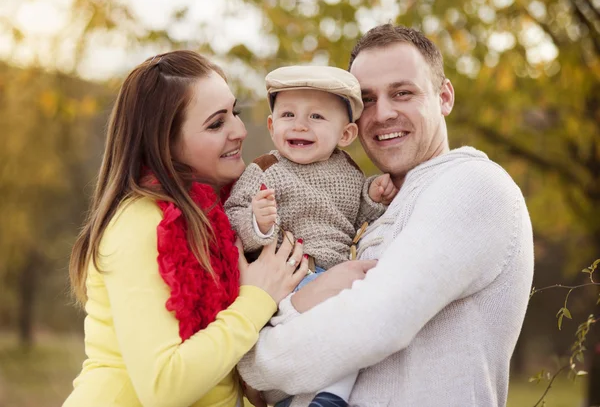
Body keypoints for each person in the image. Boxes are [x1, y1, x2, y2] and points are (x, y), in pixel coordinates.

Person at [236, 24, 535, 407]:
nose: (384, 113)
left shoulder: (471, 183)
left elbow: (372, 324)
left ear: (444, 97)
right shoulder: (373, 209)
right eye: (368, 100)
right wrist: (300, 305)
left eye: (402, 93)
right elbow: (290, 382)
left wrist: (246, 358)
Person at [62, 50, 377, 407]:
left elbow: (218, 351)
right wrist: (258, 298)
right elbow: (165, 386)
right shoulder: (141, 223)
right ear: (164, 144)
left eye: (235, 113)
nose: (240, 131)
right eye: (216, 124)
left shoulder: (217, 215)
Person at [224, 65, 398, 407]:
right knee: (343, 324)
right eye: (288, 114)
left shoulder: (349, 171)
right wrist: (257, 222)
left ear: (345, 134)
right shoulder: (265, 169)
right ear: (273, 127)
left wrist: (373, 197)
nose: (300, 125)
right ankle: (300, 394)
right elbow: (232, 215)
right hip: (290, 278)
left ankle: (326, 398)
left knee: (354, 333)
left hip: (332, 276)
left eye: (317, 117)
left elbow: (358, 214)